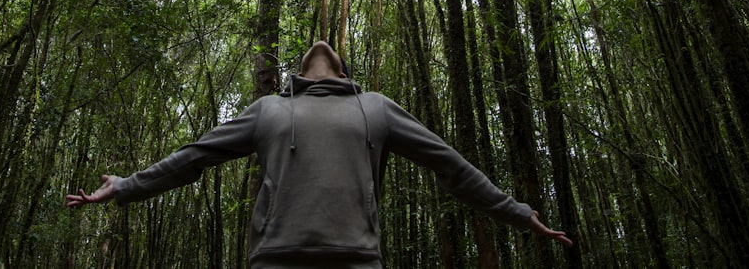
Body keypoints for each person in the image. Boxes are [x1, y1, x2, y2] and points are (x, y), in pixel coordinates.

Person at [67, 40, 572, 267]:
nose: (320, 45)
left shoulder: (376, 107)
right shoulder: (268, 110)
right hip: (274, 259)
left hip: (357, 259)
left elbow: (451, 166)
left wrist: (520, 214)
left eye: (329, 48)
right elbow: (195, 155)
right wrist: (127, 185)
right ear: (301, 72)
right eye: (310, 49)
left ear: (343, 68)